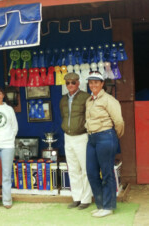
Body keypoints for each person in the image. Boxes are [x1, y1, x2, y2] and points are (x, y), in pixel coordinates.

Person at [85, 71, 124, 218]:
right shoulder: (89, 100)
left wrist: (113, 137)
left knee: (107, 173)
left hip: (105, 136)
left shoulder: (109, 100)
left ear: (102, 84)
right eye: (91, 82)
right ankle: (101, 205)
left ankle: (108, 206)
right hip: (92, 139)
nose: (93, 84)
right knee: (92, 172)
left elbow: (119, 122)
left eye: (96, 82)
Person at [59, 72, 92, 210]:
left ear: (78, 83)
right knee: (72, 169)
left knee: (85, 169)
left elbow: (90, 116)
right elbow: (63, 116)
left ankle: (86, 199)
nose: (70, 85)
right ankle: (76, 198)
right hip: (68, 137)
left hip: (81, 136)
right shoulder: (63, 100)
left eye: (73, 82)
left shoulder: (86, 97)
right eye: (68, 83)